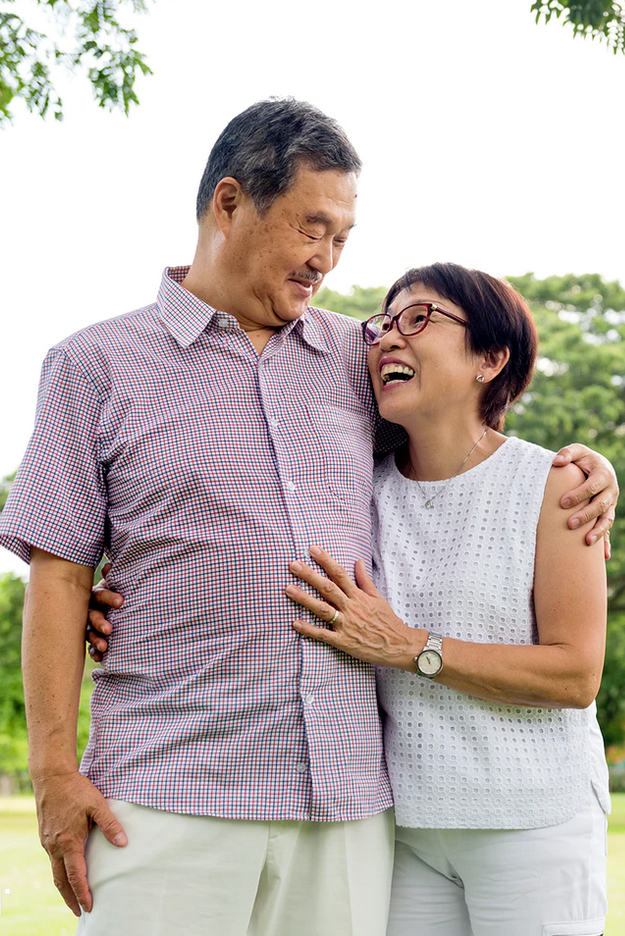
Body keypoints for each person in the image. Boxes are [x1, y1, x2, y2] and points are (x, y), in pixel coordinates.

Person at [0, 100, 615, 936]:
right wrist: (52, 773)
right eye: (310, 228)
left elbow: (461, 441)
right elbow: (61, 572)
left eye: (343, 238)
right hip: (166, 791)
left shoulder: (356, 360)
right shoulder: (94, 364)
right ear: (229, 204)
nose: (325, 258)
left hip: (347, 807)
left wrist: (585, 465)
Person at [283, 262, 611, 936]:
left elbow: (576, 675)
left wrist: (410, 648)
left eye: (418, 318)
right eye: (382, 325)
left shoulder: (555, 484)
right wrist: (113, 597)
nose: (387, 339)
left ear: (490, 359)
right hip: (402, 828)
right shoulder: (356, 487)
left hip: (532, 823)